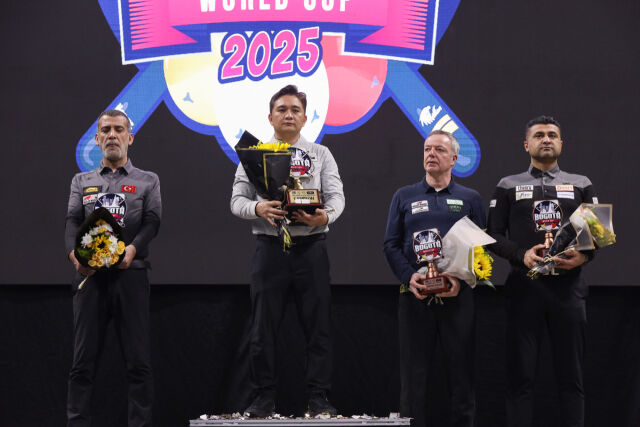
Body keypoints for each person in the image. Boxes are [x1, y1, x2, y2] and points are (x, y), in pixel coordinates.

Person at [230, 85, 345, 417]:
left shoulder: (321, 154)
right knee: (262, 329)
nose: (289, 115)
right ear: (270, 117)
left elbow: (337, 197)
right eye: (282, 109)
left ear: (305, 118)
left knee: (319, 328)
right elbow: (236, 201)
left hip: (311, 248)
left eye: (295, 110)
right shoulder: (253, 155)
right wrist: (258, 208)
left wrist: (325, 216)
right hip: (270, 249)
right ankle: (263, 397)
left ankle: (319, 398)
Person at [487, 116, 597, 427]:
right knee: (520, 378)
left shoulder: (581, 183)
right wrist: (521, 255)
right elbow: (492, 234)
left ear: (561, 143)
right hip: (524, 289)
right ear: (527, 144)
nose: (545, 139)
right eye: (538, 135)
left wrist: (583, 257)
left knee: (572, 377)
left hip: (569, 290)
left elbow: (597, 232)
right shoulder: (507, 185)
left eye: (552, 135)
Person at [65, 109, 162, 427]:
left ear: (129, 137)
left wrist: (132, 249)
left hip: (131, 276)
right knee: (82, 364)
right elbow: (72, 221)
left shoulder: (148, 180)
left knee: (138, 363)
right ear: (96, 138)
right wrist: (74, 256)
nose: (112, 135)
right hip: (90, 279)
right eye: (105, 130)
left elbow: (152, 221)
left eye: (119, 129)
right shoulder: (82, 181)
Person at [383, 130, 485, 427]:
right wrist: (410, 277)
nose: (431, 154)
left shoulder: (470, 198)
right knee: (413, 379)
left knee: (462, 376)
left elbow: (482, 248)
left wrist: (461, 280)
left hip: (458, 299)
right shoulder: (404, 196)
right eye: (427, 149)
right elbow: (390, 244)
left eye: (439, 150)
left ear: (454, 158)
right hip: (415, 298)